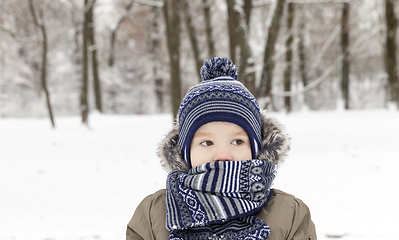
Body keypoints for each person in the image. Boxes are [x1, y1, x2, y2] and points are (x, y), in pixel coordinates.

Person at [126, 57, 316, 240]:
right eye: (207, 143)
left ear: (256, 149)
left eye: (237, 142)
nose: (223, 155)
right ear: (185, 153)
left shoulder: (289, 214)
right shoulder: (152, 215)